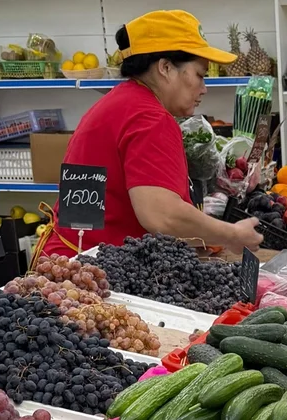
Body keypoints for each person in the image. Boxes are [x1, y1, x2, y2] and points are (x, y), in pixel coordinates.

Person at [38, 10, 263, 259]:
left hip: (68, 257)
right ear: (165, 67)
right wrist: (230, 234)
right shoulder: (150, 119)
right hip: (91, 270)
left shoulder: (120, 103)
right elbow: (161, 215)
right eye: (200, 75)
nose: (204, 88)